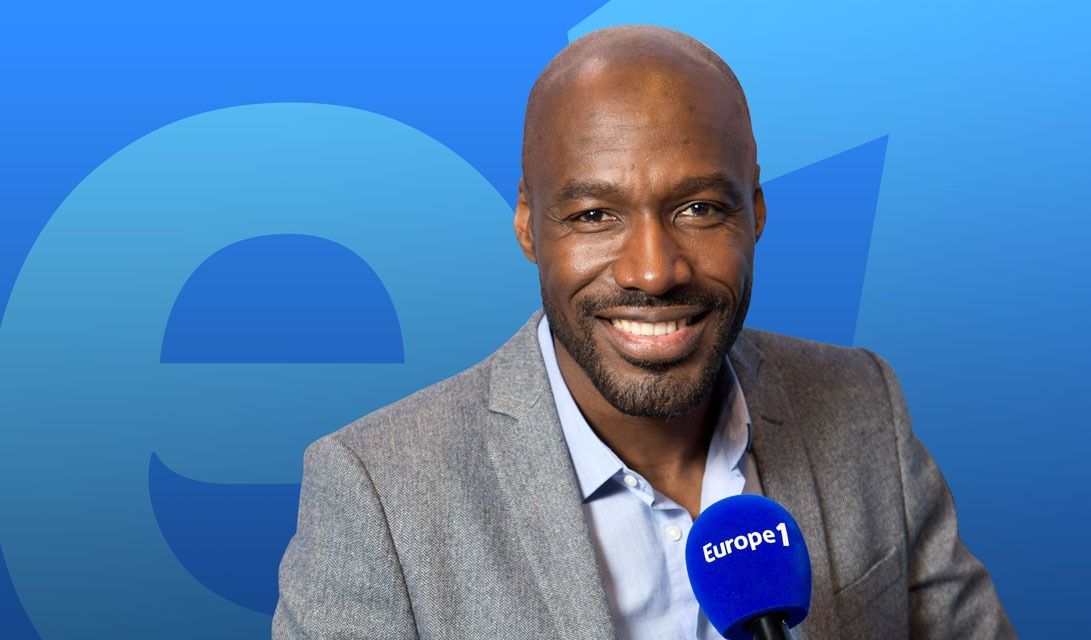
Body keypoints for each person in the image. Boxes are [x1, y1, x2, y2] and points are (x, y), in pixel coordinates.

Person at [273, 25, 1016, 640]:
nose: (654, 272)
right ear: (529, 224)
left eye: (699, 209)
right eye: (595, 215)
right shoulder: (378, 495)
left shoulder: (863, 403)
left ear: (755, 211)